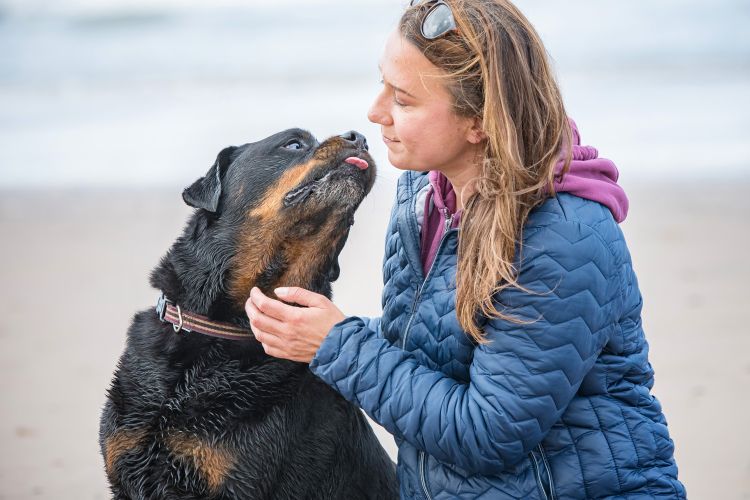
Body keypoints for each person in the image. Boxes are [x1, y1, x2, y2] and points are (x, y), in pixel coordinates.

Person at [244, 0, 686, 498]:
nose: (375, 112)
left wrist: (337, 346)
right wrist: (320, 332)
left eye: (404, 100)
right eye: (382, 82)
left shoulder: (563, 238)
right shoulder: (424, 196)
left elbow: (488, 434)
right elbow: (427, 348)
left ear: (478, 123)